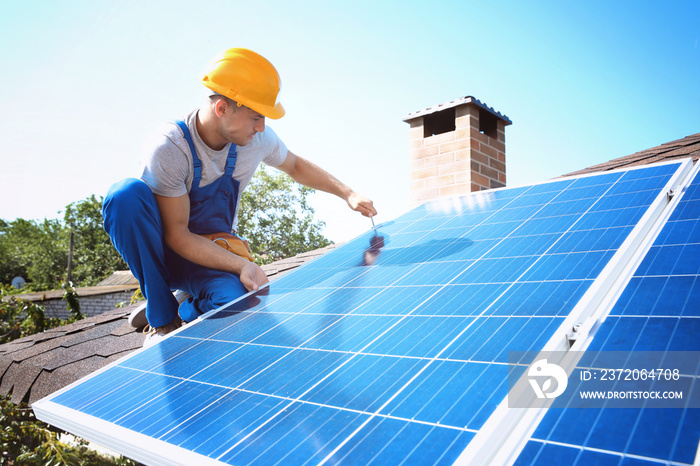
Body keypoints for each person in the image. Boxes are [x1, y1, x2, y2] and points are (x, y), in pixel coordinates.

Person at [102, 48, 376, 346]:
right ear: (222, 108)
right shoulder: (170, 146)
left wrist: (347, 193)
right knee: (124, 195)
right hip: (162, 251)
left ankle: (187, 301)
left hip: (210, 254)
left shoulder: (254, 141)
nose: (261, 128)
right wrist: (241, 266)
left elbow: (295, 165)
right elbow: (178, 235)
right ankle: (162, 316)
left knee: (235, 306)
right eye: (256, 117)